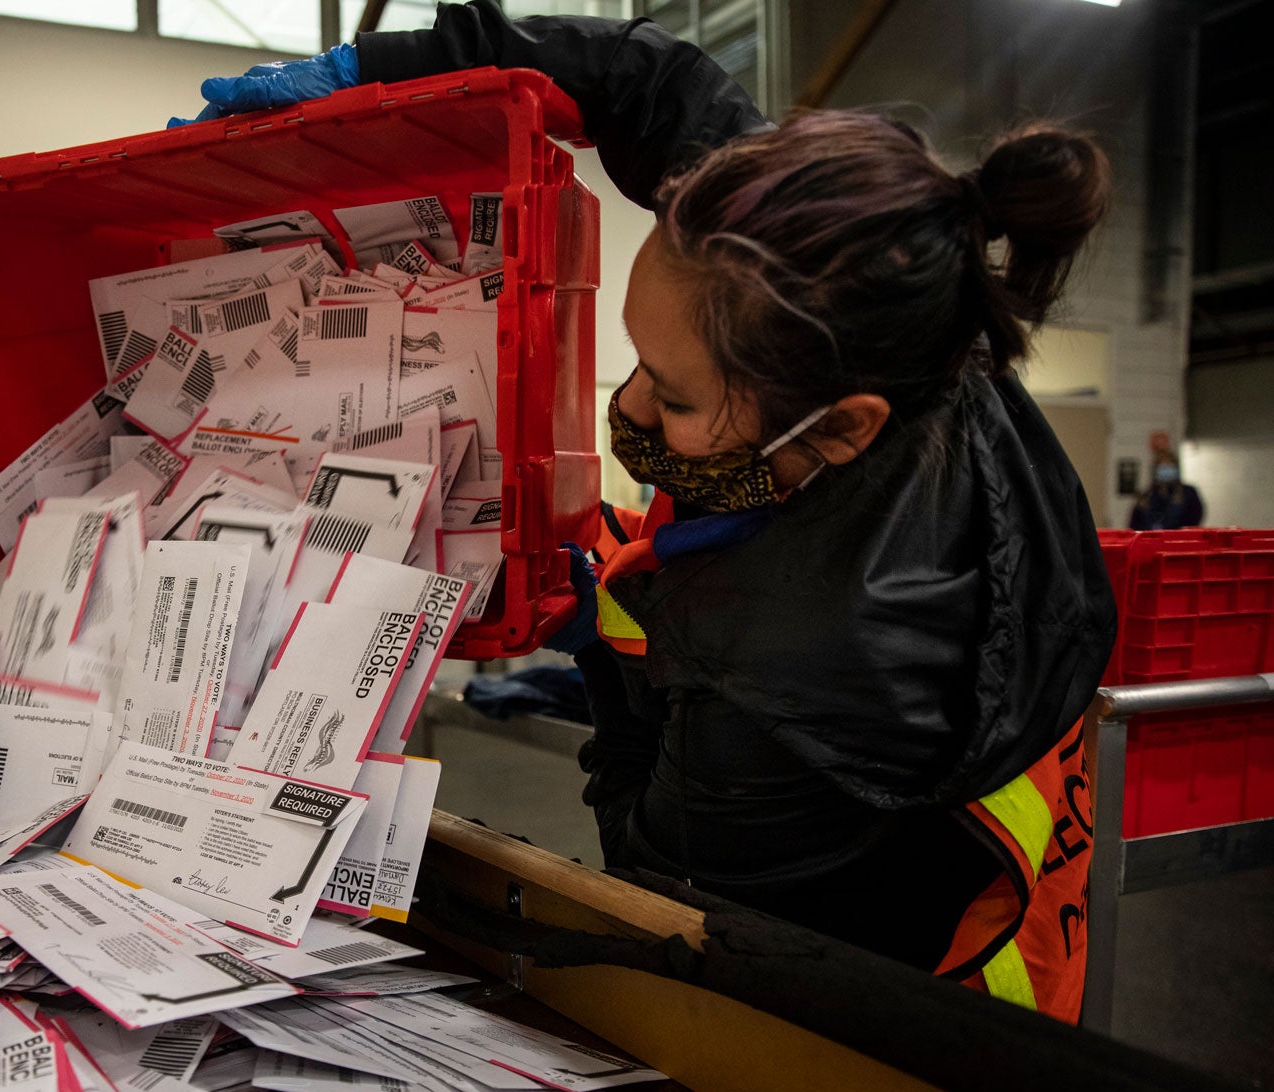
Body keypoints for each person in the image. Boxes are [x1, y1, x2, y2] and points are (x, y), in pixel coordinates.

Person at [183, 0, 1116, 1021]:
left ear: (843, 427)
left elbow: (653, 870)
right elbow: (650, 83)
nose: (623, 408)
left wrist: (609, 665)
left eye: (672, 397)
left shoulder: (791, 677)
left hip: (928, 1024)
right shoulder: (865, 293)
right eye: (640, 362)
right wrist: (387, 63)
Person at [1129, 453, 1204, 530]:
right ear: (1155, 470)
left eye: (1170, 467)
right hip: (1150, 540)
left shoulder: (1188, 493)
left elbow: (1194, 520)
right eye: (1163, 467)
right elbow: (1135, 525)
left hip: (1179, 539)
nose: (1166, 471)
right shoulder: (1145, 496)